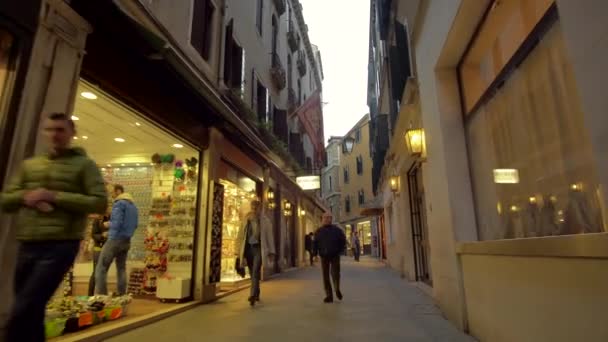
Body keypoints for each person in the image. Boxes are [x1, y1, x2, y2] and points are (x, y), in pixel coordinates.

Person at [1, 112, 107, 342]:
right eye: (50, 129)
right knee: (31, 310)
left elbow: (99, 202)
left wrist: (55, 196)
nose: (54, 135)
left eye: (60, 130)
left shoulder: (84, 166)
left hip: (61, 244)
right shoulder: (30, 166)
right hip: (28, 243)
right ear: (43, 132)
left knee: (24, 307)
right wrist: (27, 196)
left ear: (71, 133)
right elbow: (6, 200)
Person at [95, 184, 139, 296]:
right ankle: (121, 294)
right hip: (126, 240)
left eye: (113, 192)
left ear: (118, 191)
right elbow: (135, 224)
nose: (112, 195)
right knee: (121, 268)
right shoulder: (133, 206)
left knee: (101, 268)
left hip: (115, 239)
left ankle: (101, 297)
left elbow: (117, 223)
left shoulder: (119, 204)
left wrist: (106, 226)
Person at [236, 200, 276, 306]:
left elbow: (269, 237)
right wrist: (237, 250)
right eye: (252, 207)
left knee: (255, 271)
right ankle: (257, 291)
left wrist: (272, 251)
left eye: (256, 207)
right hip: (248, 248)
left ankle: (252, 295)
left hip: (259, 249)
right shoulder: (246, 219)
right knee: (251, 272)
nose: (254, 209)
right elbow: (240, 235)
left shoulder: (265, 221)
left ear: (260, 208)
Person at [315, 213, 347, 303]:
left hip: (335, 255)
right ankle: (329, 295)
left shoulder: (337, 230)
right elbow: (315, 243)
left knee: (335, 274)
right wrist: (315, 253)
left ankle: (337, 289)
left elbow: (343, 241)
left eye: (329, 218)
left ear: (331, 219)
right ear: (322, 219)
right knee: (325, 276)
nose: (327, 219)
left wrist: (340, 251)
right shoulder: (319, 231)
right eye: (325, 218)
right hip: (324, 256)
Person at [88, 209, 110, 296]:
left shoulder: (113, 220)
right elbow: (93, 234)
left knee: (103, 273)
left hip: (107, 250)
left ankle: (101, 296)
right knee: (96, 273)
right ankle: (90, 295)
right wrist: (103, 236)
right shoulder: (97, 220)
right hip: (98, 249)